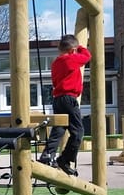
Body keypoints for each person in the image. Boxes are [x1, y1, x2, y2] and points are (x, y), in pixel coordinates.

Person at [39, 34, 91, 176]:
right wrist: (80, 46)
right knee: (78, 131)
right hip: (69, 98)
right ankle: (65, 159)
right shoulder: (72, 58)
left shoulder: (56, 63)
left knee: (59, 129)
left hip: (57, 98)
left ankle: (47, 154)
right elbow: (87, 57)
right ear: (73, 50)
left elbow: (55, 82)